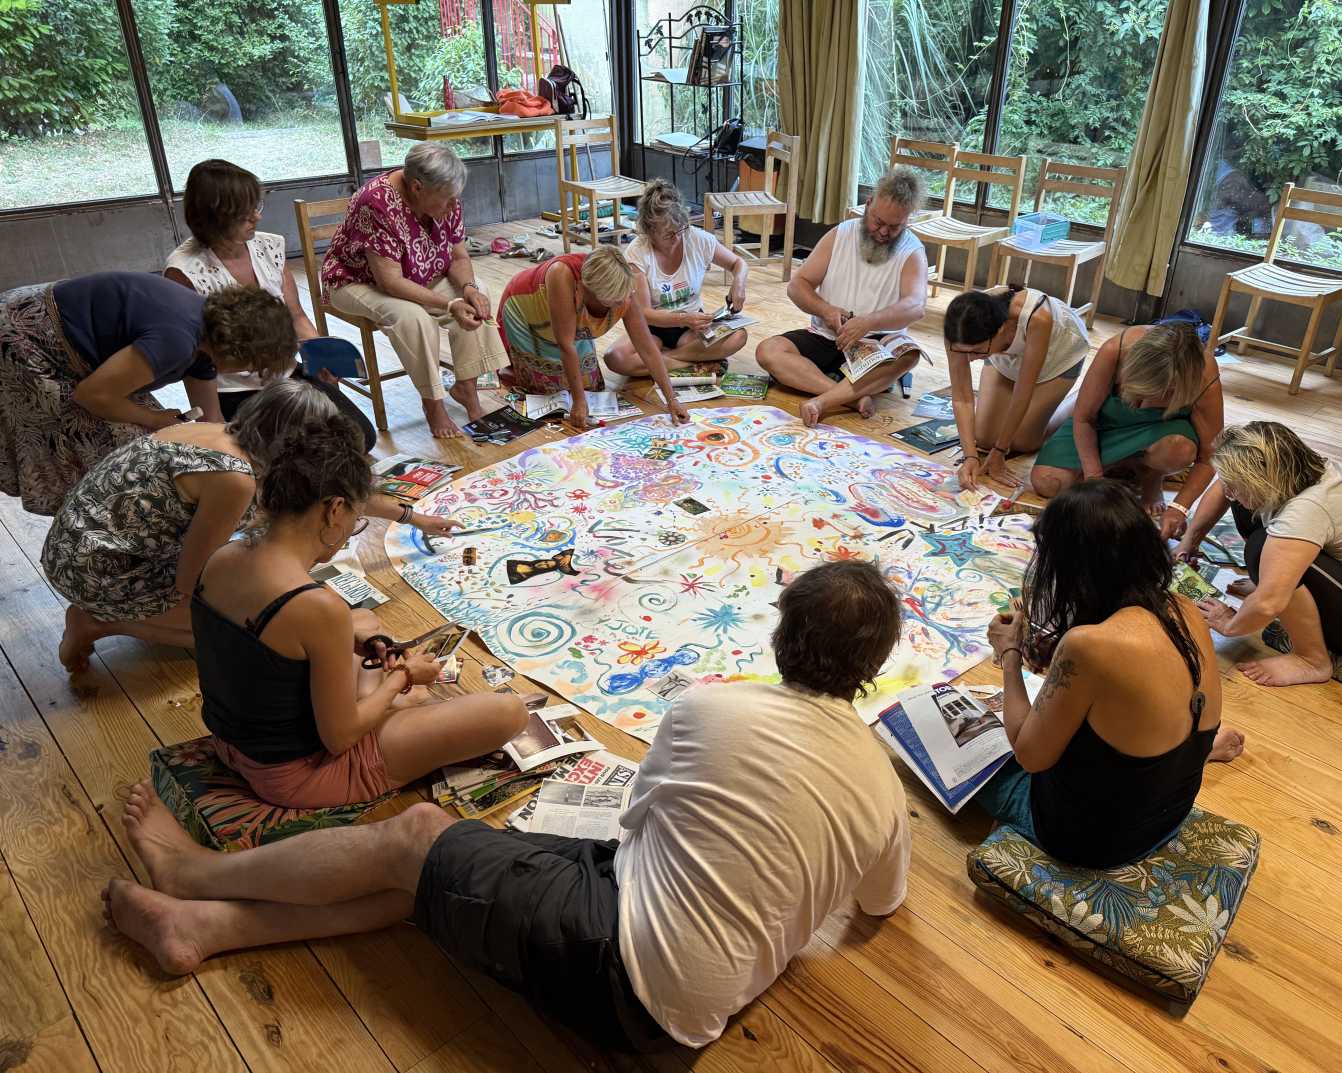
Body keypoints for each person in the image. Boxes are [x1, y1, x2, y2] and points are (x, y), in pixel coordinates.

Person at [104, 560, 911, 1049]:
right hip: (697, 994)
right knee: (431, 875)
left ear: (779, 637)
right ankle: (207, 926)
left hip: (618, 961)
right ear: (872, 668)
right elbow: (881, 903)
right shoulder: (883, 781)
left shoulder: (711, 707)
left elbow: (637, 819)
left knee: (416, 832)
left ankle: (195, 872)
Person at [185, 413, 526, 808]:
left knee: (361, 622)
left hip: (234, 743)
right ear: (334, 510)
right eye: (355, 519)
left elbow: (262, 649)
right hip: (296, 775)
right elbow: (340, 738)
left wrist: (360, 646)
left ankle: (393, 706)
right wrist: (402, 678)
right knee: (507, 712)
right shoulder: (313, 605)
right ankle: (396, 706)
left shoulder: (225, 555)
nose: (350, 529)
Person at [44, 380, 454, 674]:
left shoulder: (220, 432)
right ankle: (96, 623)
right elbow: (193, 582)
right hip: (94, 569)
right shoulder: (235, 478)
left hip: (79, 542)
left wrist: (412, 517)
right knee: (240, 630)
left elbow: (339, 487)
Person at [974, 480, 1244, 870]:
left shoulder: (1088, 645)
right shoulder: (1182, 607)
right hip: (1170, 811)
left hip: (1096, 842)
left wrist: (1010, 652)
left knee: (949, 737)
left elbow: (1030, 756)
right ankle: (1194, 753)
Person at [0, 271, 295, 517]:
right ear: (237, 348)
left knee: (135, 441)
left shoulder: (207, 338)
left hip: (51, 326)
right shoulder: (177, 341)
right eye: (252, 365)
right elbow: (93, 395)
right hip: (24, 337)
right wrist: (153, 418)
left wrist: (244, 461)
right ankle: (90, 528)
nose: (249, 373)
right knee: (107, 449)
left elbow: (212, 420)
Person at [1177, 422, 1342, 687]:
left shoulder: (1308, 510)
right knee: (1245, 506)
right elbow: (1224, 487)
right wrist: (1189, 541)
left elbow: (1267, 604)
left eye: (1234, 484)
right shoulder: (1302, 468)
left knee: (1261, 547)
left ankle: (1312, 660)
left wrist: (1228, 623)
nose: (1227, 491)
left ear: (1260, 478)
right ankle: (1274, 579)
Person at [164, 158, 377, 451]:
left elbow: (296, 316)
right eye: (245, 214)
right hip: (235, 389)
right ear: (215, 218)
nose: (257, 218)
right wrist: (211, 423)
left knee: (358, 438)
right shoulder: (184, 270)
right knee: (293, 454)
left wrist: (321, 356)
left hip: (286, 373)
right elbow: (194, 357)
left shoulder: (267, 246)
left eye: (257, 207)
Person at [321, 143, 506, 439]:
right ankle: (433, 404)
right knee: (412, 316)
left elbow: (459, 256)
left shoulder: (446, 195)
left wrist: (468, 290)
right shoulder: (377, 202)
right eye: (446, 200)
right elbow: (390, 282)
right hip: (356, 280)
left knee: (478, 292)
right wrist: (449, 305)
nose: (451, 206)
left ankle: (467, 391)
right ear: (417, 187)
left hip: (421, 273)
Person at [755, 167, 930, 427]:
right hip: (827, 335)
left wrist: (868, 323)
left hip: (876, 343)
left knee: (909, 355)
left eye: (894, 227)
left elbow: (915, 306)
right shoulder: (841, 234)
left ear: (908, 220)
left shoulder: (912, 250)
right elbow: (797, 286)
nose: (883, 232)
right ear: (868, 204)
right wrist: (826, 311)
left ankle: (824, 401)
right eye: (878, 222)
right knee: (768, 350)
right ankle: (850, 397)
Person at [1031, 322, 1224, 539]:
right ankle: (1122, 468)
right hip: (1106, 422)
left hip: (1163, 430)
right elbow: (1084, 419)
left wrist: (1179, 507)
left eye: (1167, 393)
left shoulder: (1204, 371)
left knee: (1179, 449)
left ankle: (1151, 475)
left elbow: (1210, 454)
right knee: (1048, 482)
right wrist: (1094, 478)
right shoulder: (1115, 350)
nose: (1149, 401)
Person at [497, 246, 690, 431]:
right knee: (552, 395)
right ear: (588, 291)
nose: (621, 304)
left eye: (622, 299)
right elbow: (566, 345)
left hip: (571, 321)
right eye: (614, 301)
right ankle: (513, 373)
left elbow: (646, 346)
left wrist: (671, 399)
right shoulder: (562, 275)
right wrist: (579, 402)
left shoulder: (623, 290)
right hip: (527, 313)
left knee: (593, 389)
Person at [943, 284, 1089, 491]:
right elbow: (962, 398)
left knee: (1024, 442)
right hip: (1002, 354)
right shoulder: (958, 326)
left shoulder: (1038, 318)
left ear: (1002, 330)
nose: (969, 359)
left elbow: (1023, 392)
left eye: (976, 352)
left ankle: (1078, 399)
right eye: (963, 352)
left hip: (1058, 354)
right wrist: (970, 456)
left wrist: (999, 452)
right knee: (983, 437)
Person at [604, 178, 749, 377]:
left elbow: (738, 264)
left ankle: (665, 360)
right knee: (615, 357)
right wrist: (683, 318)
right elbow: (644, 313)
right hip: (654, 328)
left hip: (692, 327)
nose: (677, 237)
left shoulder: (697, 238)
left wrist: (739, 284)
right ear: (650, 231)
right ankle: (690, 360)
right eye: (668, 234)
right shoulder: (637, 252)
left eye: (681, 229)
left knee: (738, 336)